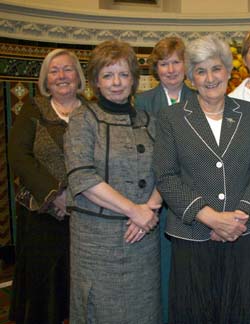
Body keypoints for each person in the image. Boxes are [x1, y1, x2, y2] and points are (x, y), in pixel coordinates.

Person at [153, 34, 250, 324]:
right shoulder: (171, 118)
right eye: (201, 70)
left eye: (216, 68)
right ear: (191, 77)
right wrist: (209, 217)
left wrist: (237, 218)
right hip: (193, 236)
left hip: (242, 235)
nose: (210, 78)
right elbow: (166, 175)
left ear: (229, 72)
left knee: (242, 311)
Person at [64, 40, 161, 323]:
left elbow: (167, 171)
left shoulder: (149, 120)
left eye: (123, 74)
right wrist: (134, 210)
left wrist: (149, 209)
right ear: (96, 81)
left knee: (143, 310)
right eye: (108, 75)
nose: (116, 82)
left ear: (133, 80)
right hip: (97, 242)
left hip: (143, 237)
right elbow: (82, 176)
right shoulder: (84, 118)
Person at [8, 48, 86, 324]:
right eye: (54, 71)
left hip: (86, 215)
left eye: (67, 69)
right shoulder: (32, 109)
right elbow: (19, 156)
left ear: (78, 76)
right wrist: (55, 194)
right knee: (45, 289)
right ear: (45, 79)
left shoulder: (93, 112)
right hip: (41, 215)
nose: (61, 76)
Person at [134, 36, 194, 323]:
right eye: (163, 64)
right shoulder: (143, 101)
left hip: (194, 195)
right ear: (155, 69)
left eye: (176, 62)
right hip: (154, 198)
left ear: (186, 65)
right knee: (161, 266)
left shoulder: (200, 98)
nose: (170, 70)